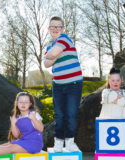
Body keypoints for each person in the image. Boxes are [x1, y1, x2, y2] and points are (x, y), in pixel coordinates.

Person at [43, 16, 83, 152]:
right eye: (53, 26)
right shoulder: (49, 44)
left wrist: (52, 55)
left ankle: (70, 141)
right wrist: (52, 54)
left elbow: (51, 56)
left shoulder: (64, 38)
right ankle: (59, 141)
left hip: (74, 83)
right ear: (49, 29)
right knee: (59, 114)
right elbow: (46, 63)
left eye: (58, 26)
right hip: (58, 84)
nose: (56, 29)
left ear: (63, 29)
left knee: (71, 113)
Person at [0, 92, 44, 156]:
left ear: (30, 104)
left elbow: (41, 129)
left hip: (34, 143)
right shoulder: (18, 118)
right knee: (6, 145)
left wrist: (34, 119)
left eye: (26, 102)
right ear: (17, 103)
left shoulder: (33, 114)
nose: (23, 104)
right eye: (21, 102)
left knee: (11, 148)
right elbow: (16, 135)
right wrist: (13, 123)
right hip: (24, 140)